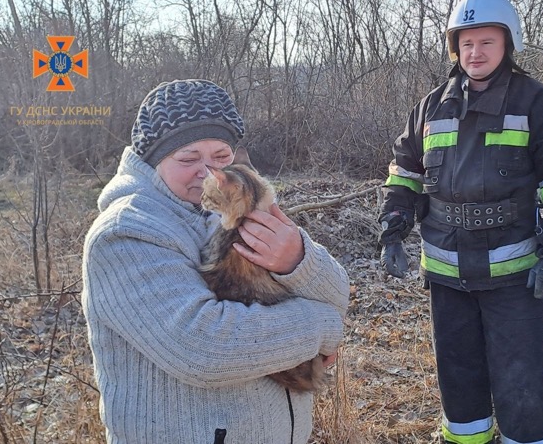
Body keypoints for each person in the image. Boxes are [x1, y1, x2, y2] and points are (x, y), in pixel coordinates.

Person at [81, 79, 350, 444]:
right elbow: (204, 349)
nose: (208, 174)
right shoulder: (126, 233)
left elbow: (338, 295)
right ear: (153, 158)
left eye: (221, 157)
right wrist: (321, 329)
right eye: (188, 158)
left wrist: (297, 259)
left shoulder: (231, 202)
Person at [377, 0, 543, 443]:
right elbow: (405, 175)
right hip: (446, 274)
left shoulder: (540, 105)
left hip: (514, 276)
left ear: (508, 44)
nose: (476, 52)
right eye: (467, 43)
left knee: (522, 375)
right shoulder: (429, 109)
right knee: (458, 371)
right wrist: (393, 230)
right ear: (455, 48)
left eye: (487, 42)